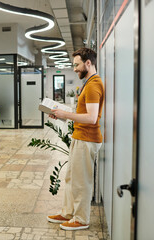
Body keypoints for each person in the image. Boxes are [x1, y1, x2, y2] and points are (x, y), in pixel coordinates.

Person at [47, 48, 105, 231]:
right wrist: (62, 114)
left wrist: (66, 113)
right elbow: (84, 113)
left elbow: (91, 118)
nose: (74, 69)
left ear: (88, 63)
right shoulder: (89, 83)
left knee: (81, 181)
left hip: (87, 139)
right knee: (72, 178)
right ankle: (68, 212)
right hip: (80, 137)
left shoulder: (94, 84)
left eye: (77, 65)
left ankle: (81, 218)